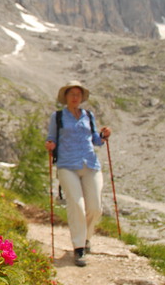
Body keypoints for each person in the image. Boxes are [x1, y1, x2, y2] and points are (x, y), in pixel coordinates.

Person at [45, 80, 111, 267]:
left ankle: (86, 237)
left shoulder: (88, 116)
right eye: (71, 94)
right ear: (65, 97)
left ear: (81, 97)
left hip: (90, 164)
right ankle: (79, 248)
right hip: (67, 165)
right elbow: (51, 137)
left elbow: (96, 141)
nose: (75, 97)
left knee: (95, 208)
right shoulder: (57, 117)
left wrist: (104, 135)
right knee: (76, 205)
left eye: (78, 94)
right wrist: (50, 145)